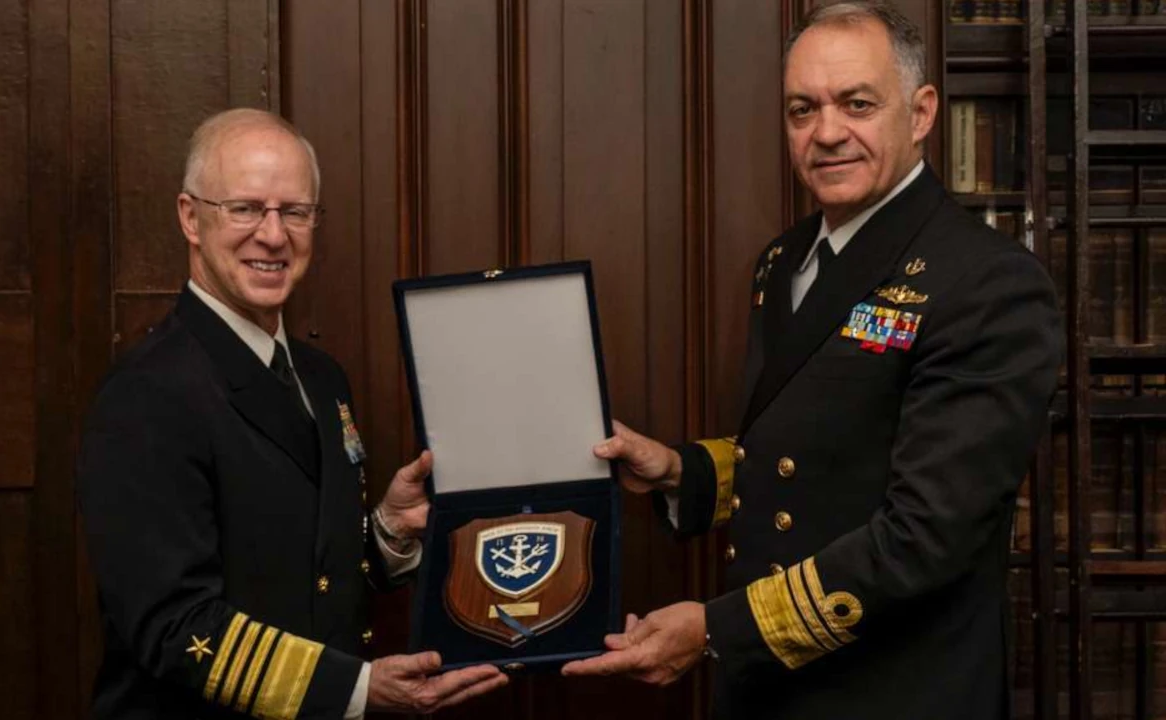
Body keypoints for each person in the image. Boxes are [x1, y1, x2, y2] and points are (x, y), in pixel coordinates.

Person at [562, 3, 1062, 718]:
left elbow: (927, 536)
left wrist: (717, 630)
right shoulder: (785, 260)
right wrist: (679, 472)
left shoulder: (987, 282)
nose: (827, 133)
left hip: (894, 693)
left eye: (858, 104)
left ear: (921, 113)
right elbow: (810, 453)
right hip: (770, 693)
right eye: (803, 109)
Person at [77, 108, 507, 719]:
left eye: (295, 212)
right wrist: (357, 690)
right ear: (190, 218)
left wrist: (386, 531)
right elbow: (173, 625)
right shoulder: (146, 395)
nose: (274, 236)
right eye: (246, 208)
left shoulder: (321, 378)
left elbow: (304, 573)